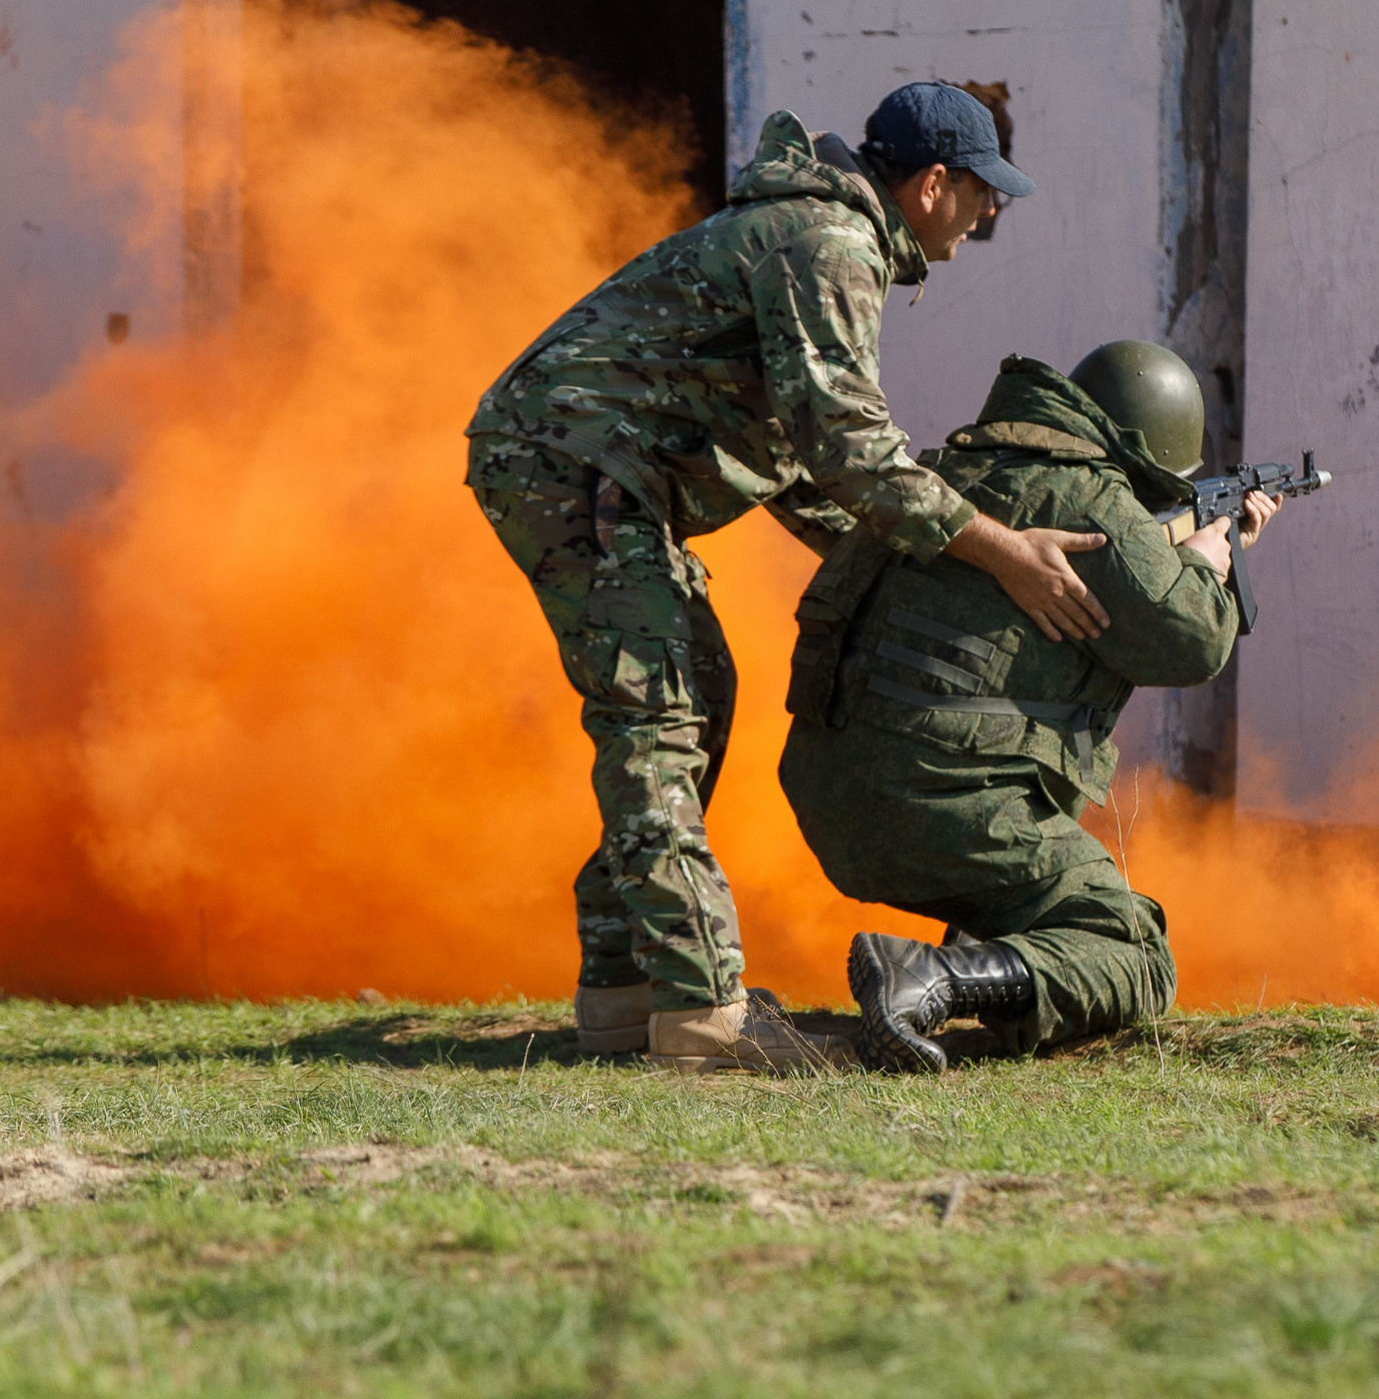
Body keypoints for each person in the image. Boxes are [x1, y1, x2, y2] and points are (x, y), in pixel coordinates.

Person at [467, 83, 1120, 1071]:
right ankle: (702, 1011)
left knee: (694, 691)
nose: (991, 214)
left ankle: (624, 990)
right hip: (577, 462)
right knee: (660, 714)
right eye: (985, 192)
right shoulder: (830, 244)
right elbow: (853, 451)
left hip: (592, 465)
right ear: (933, 182)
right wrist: (996, 548)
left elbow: (810, 466)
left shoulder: (823, 236)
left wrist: (940, 567)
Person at [776, 341, 1281, 1072]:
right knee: (1132, 952)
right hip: (936, 803)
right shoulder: (1093, 500)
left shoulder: (938, 475)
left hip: (829, 796)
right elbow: (1193, 644)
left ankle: (970, 976)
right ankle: (932, 977)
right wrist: (1206, 562)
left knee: (1023, 891)